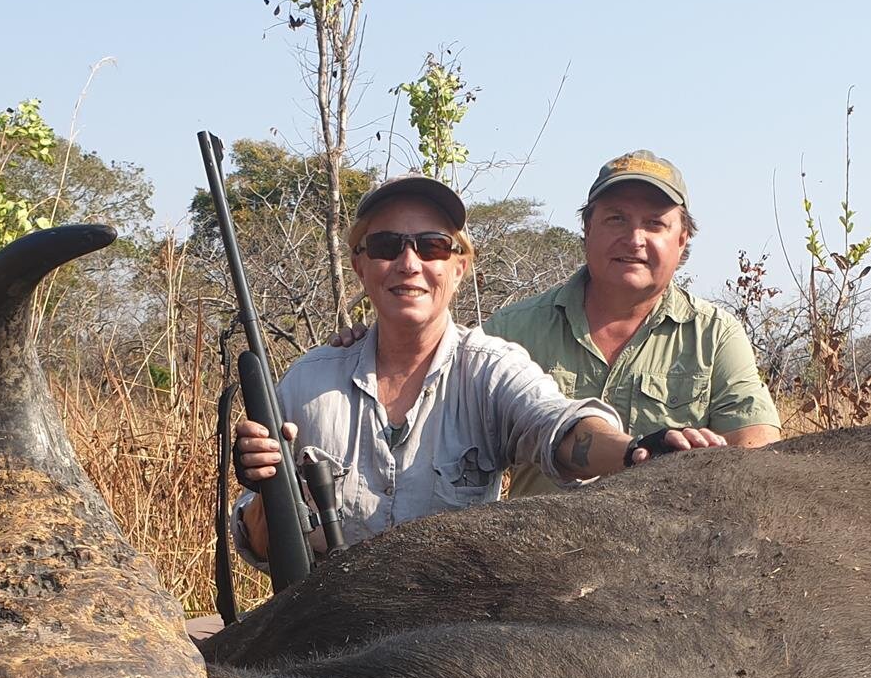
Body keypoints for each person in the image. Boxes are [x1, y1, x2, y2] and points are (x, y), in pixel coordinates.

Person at [231, 173, 724, 566]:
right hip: (323, 636)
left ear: (460, 267)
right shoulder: (308, 380)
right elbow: (259, 546)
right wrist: (266, 490)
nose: (408, 263)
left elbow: (561, 426)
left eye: (432, 246)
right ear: (361, 267)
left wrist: (639, 451)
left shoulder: (490, 368)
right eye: (386, 246)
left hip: (450, 644)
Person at [485, 150, 781, 496]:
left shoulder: (714, 335)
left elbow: (758, 448)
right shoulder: (513, 329)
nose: (635, 239)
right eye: (616, 219)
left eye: (654, 224)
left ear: (682, 239)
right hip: (534, 545)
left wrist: (699, 459)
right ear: (587, 228)